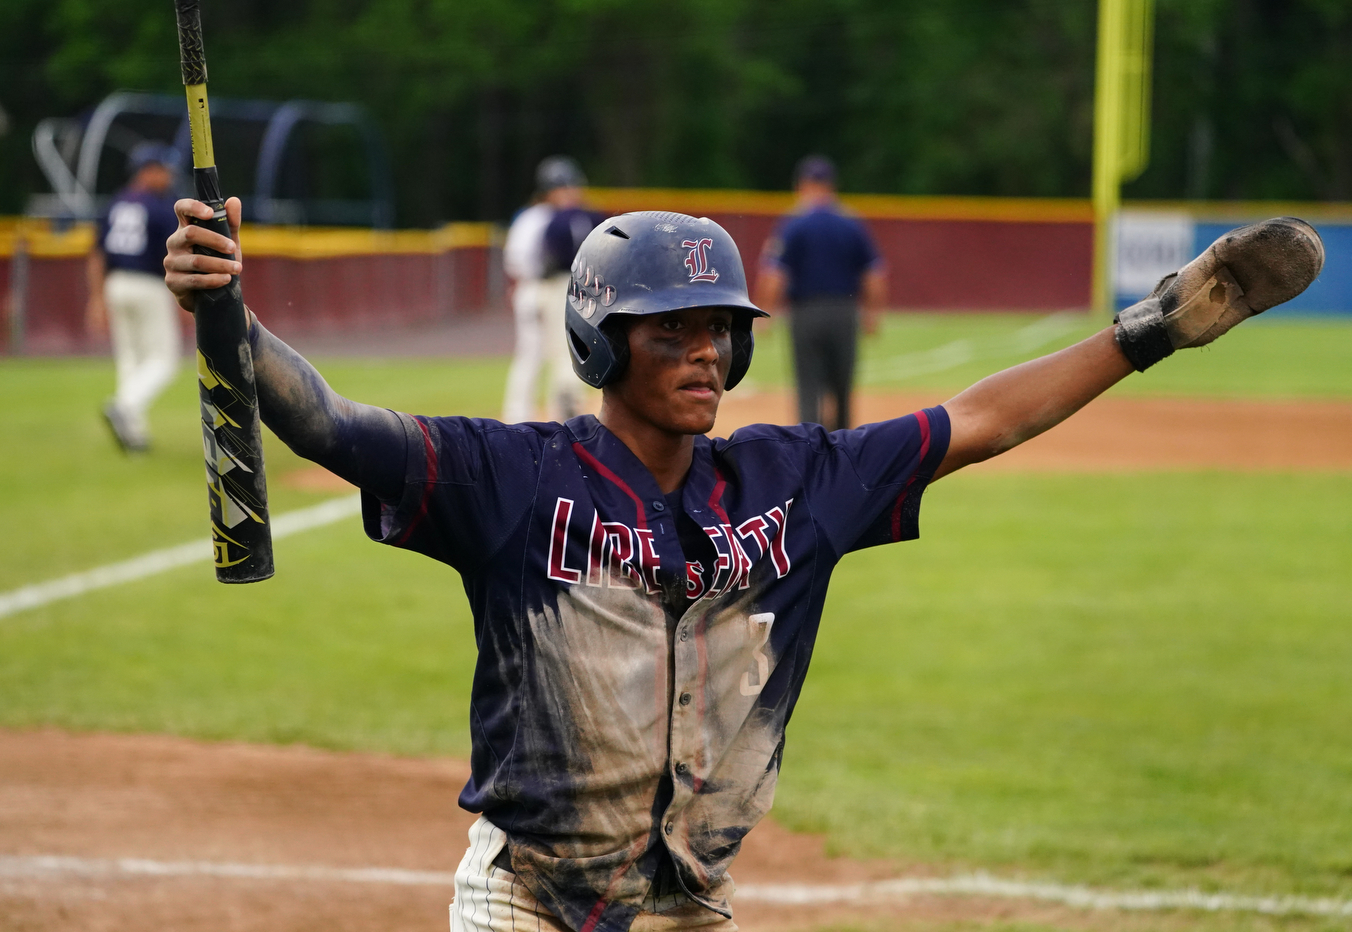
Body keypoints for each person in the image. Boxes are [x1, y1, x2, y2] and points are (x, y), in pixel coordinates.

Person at [164, 195, 1322, 932]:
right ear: (599, 343)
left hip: (692, 906)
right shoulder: (506, 478)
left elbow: (980, 420)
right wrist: (233, 320)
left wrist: (1151, 328)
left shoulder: (791, 481)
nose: (705, 351)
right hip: (529, 902)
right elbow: (327, 423)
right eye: (671, 329)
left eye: (718, 328)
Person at [757, 155, 887, 431]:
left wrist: (765, 314)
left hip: (806, 314)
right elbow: (874, 274)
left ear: (803, 185)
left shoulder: (794, 224)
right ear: (831, 185)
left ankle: (808, 449)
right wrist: (873, 314)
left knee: (808, 385)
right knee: (842, 387)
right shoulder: (851, 223)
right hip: (844, 311)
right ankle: (842, 450)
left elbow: (775, 274)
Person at [87, 141, 184, 452]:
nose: (168, 177)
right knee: (164, 361)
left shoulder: (116, 202)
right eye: (162, 170)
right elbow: (173, 254)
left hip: (116, 283)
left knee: (131, 360)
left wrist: (97, 296)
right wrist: (182, 295)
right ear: (147, 171)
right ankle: (124, 406)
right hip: (149, 285)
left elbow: (98, 253)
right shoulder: (159, 206)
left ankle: (134, 435)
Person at [502, 157, 581, 423]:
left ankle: (561, 417)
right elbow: (515, 261)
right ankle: (517, 419)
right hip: (535, 288)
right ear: (550, 189)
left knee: (562, 355)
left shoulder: (566, 216)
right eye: (564, 187)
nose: (570, 192)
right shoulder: (534, 218)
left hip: (559, 291)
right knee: (532, 355)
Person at [538, 161, 606, 421]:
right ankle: (577, 396)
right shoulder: (595, 216)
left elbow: (548, 260)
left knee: (560, 346)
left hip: (562, 285)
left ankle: (566, 397)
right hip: (593, 285)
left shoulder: (554, 220)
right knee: (588, 342)